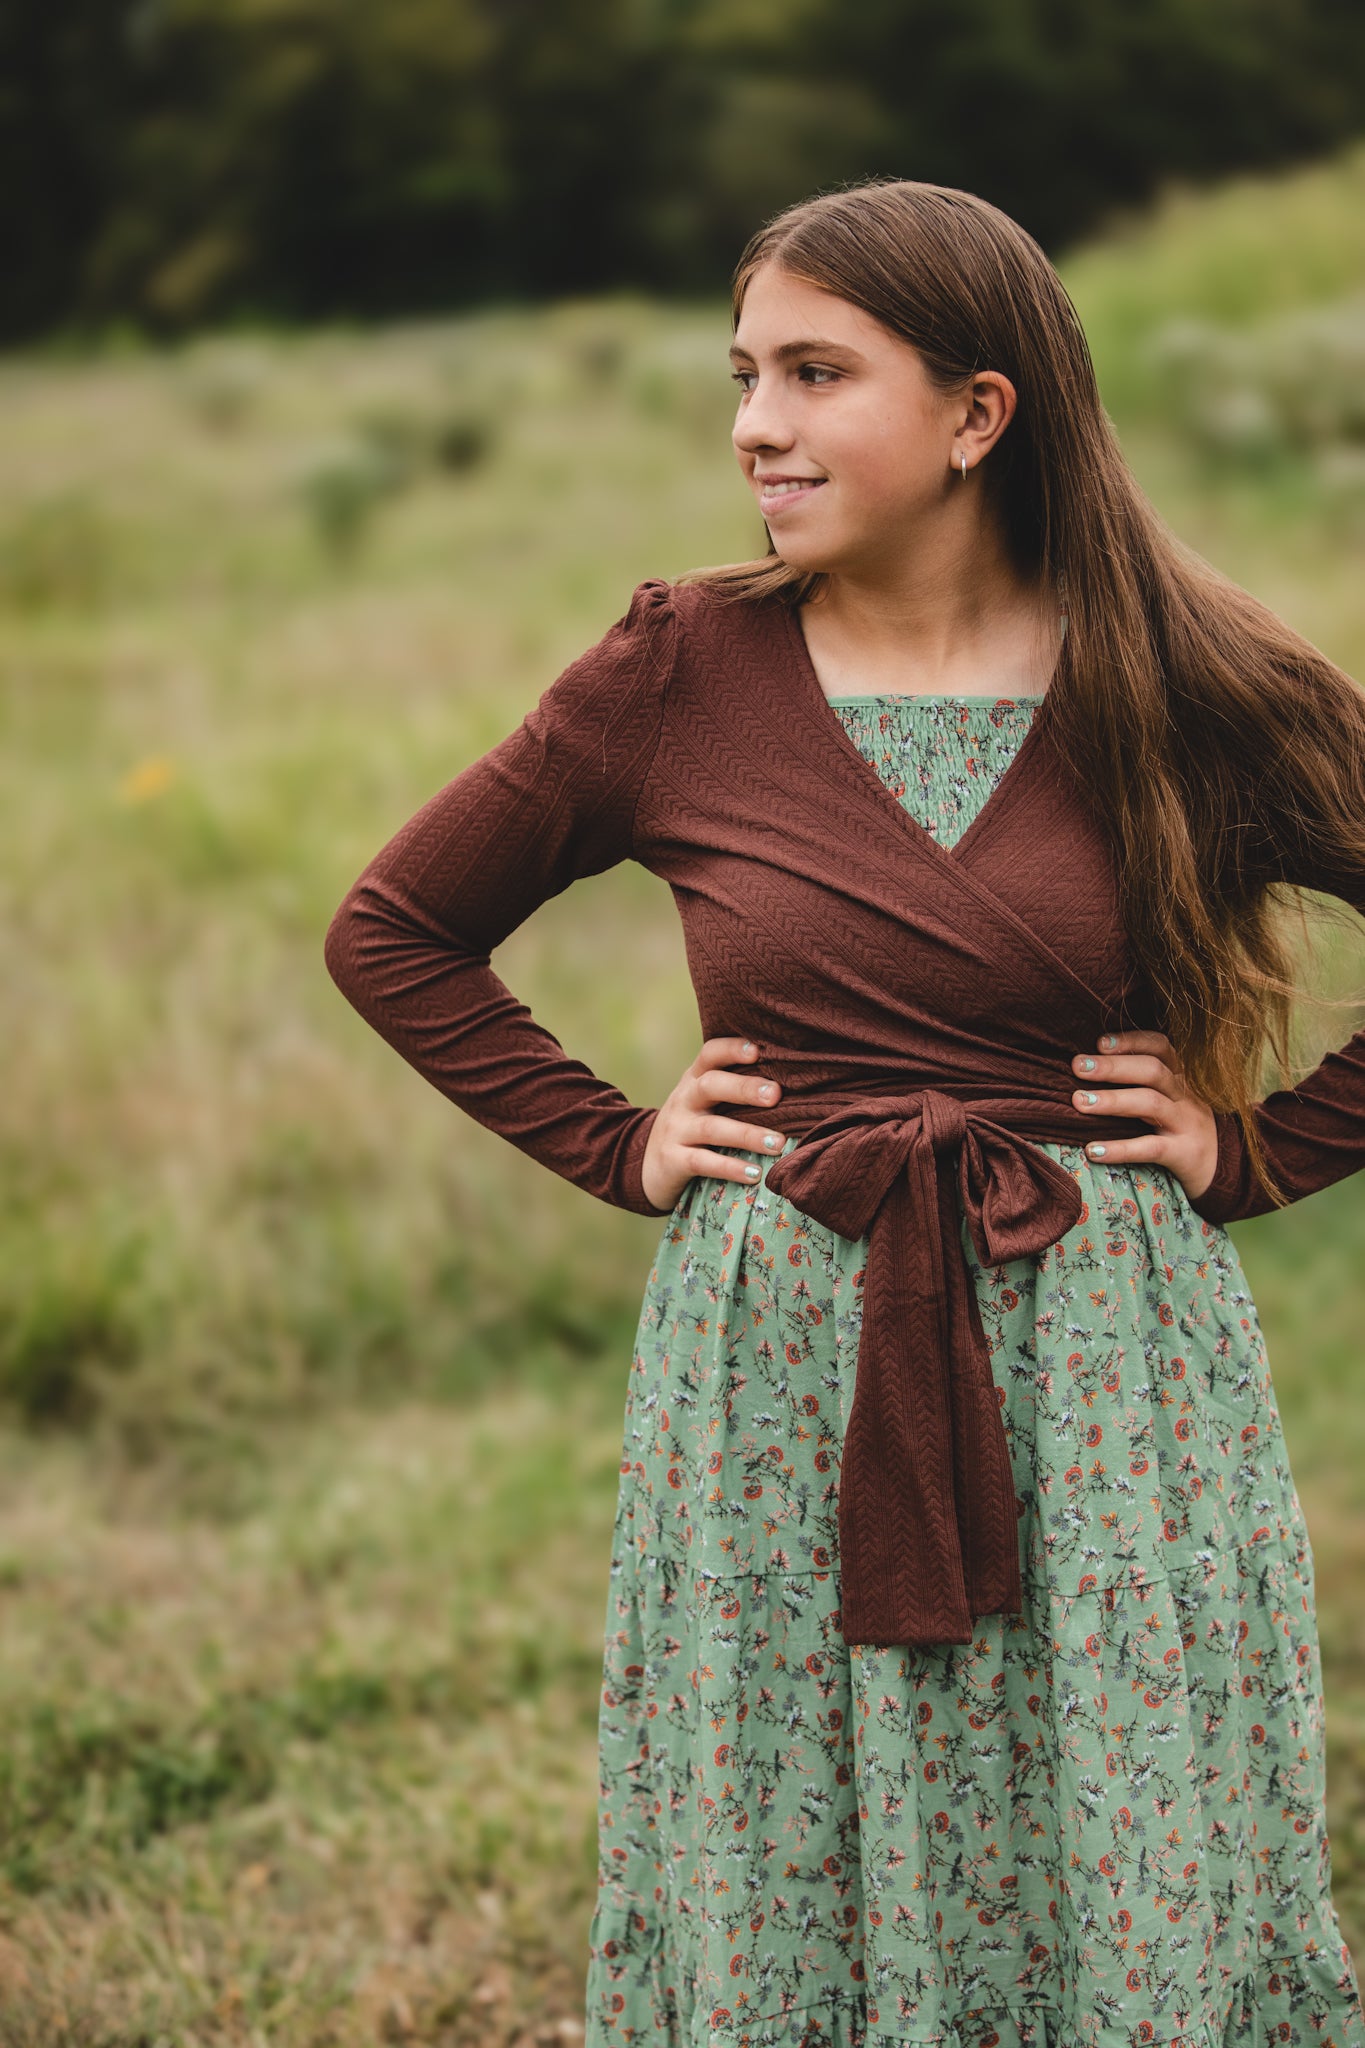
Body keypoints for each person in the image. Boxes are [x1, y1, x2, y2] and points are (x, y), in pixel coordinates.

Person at [324, 179, 1365, 2048]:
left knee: (1120, 1792)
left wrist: (1269, 1145)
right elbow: (395, 931)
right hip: (781, 1350)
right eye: (744, 373)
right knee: (789, 1797)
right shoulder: (676, 671)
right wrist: (609, 1137)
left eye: (815, 373)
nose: (753, 424)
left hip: (1107, 1361)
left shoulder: (1177, 678)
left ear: (979, 414)